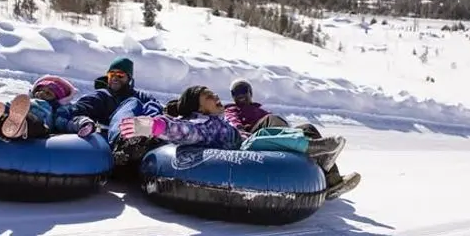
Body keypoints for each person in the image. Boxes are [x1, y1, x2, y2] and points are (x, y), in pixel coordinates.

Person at [122, 85, 347, 175]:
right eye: (209, 97)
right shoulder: (202, 124)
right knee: (260, 139)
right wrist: (156, 126)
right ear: (200, 108)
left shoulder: (217, 118)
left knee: (265, 134)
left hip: (242, 143)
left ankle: (313, 148)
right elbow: (184, 131)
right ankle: (312, 147)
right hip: (239, 152)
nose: (216, 97)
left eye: (214, 93)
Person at [224, 78, 361, 200]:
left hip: (273, 134)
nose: (240, 95)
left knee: (308, 128)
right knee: (272, 119)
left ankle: (333, 181)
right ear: (232, 96)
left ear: (250, 92)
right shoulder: (231, 110)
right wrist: (241, 130)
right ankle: (298, 146)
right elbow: (233, 123)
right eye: (236, 92)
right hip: (255, 138)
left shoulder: (261, 111)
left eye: (243, 90)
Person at [57, 57, 164, 163]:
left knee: (143, 104)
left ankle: (144, 140)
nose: (115, 78)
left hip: (142, 142)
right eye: (111, 75)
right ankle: (123, 141)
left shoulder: (142, 96)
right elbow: (80, 107)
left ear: (129, 78)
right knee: (133, 102)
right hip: (113, 146)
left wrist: (150, 125)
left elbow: (156, 108)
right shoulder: (102, 95)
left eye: (120, 75)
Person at [0, 75, 96, 140]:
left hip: (38, 127)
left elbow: (69, 121)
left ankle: (19, 126)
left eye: (48, 93)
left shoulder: (58, 109)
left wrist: (84, 124)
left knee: (33, 123)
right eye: (40, 90)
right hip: (12, 119)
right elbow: (4, 107)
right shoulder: (24, 102)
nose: (42, 94)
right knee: (1, 115)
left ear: (57, 99)